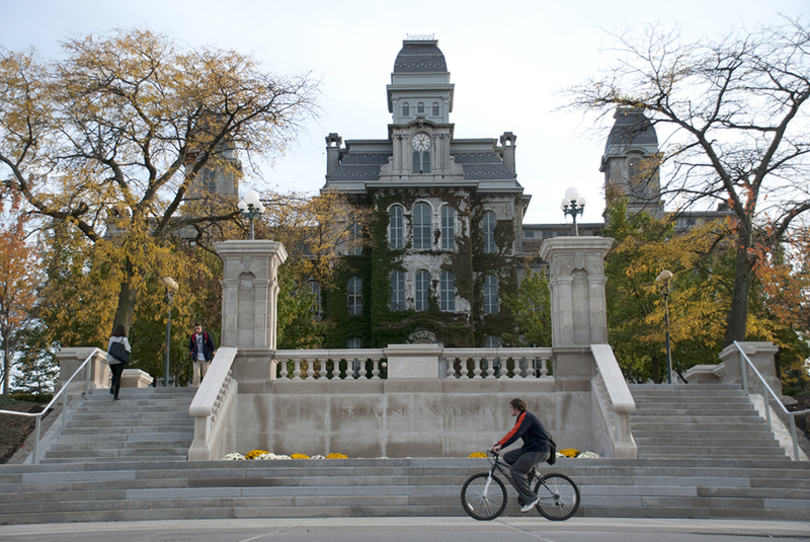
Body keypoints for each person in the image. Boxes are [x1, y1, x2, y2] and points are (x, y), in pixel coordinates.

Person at [491, 398, 551, 513]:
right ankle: (529, 473)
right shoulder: (522, 418)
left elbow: (515, 433)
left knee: (515, 471)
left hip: (538, 450)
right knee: (508, 457)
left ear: (516, 408)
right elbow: (513, 433)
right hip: (530, 449)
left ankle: (531, 498)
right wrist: (497, 445)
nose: (509, 410)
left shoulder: (525, 417)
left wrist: (500, 445)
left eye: (510, 407)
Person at [106, 324, 131, 401]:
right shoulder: (124, 339)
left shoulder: (112, 339)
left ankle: (112, 385)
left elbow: (109, 349)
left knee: (114, 374)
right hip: (120, 360)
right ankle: (116, 395)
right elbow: (128, 349)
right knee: (118, 377)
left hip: (111, 360)